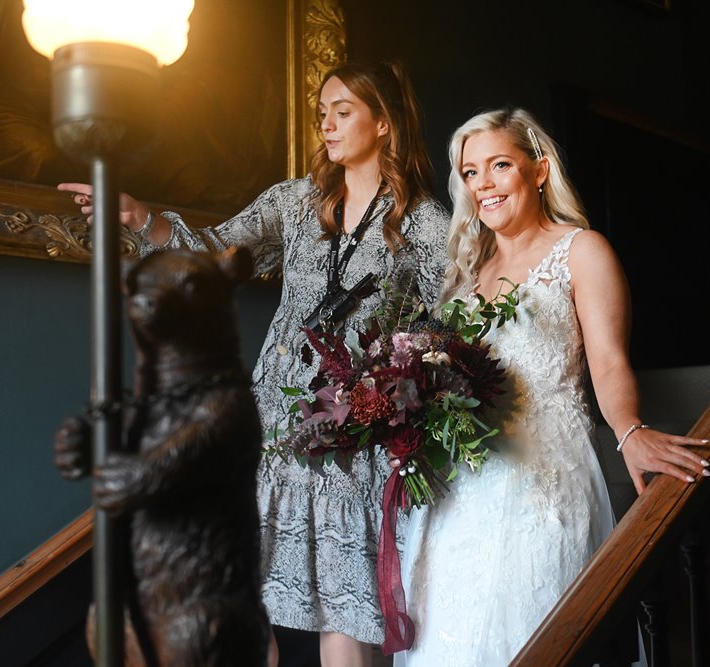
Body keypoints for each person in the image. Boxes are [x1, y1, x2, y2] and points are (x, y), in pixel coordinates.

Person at [60, 61, 450, 667]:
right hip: (268, 424)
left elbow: (451, 319)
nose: (326, 124)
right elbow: (213, 253)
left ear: (384, 122)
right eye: (321, 113)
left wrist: (393, 377)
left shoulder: (424, 222)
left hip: (352, 439)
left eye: (341, 112)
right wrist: (142, 218)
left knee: (343, 614)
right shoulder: (295, 202)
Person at [392, 109, 710, 667]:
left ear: (538, 171)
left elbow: (608, 361)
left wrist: (629, 428)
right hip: (458, 491)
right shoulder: (467, 272)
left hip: (542, 484)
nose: (483, 185)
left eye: (499, 165)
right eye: (470, 173)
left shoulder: (581, 250)